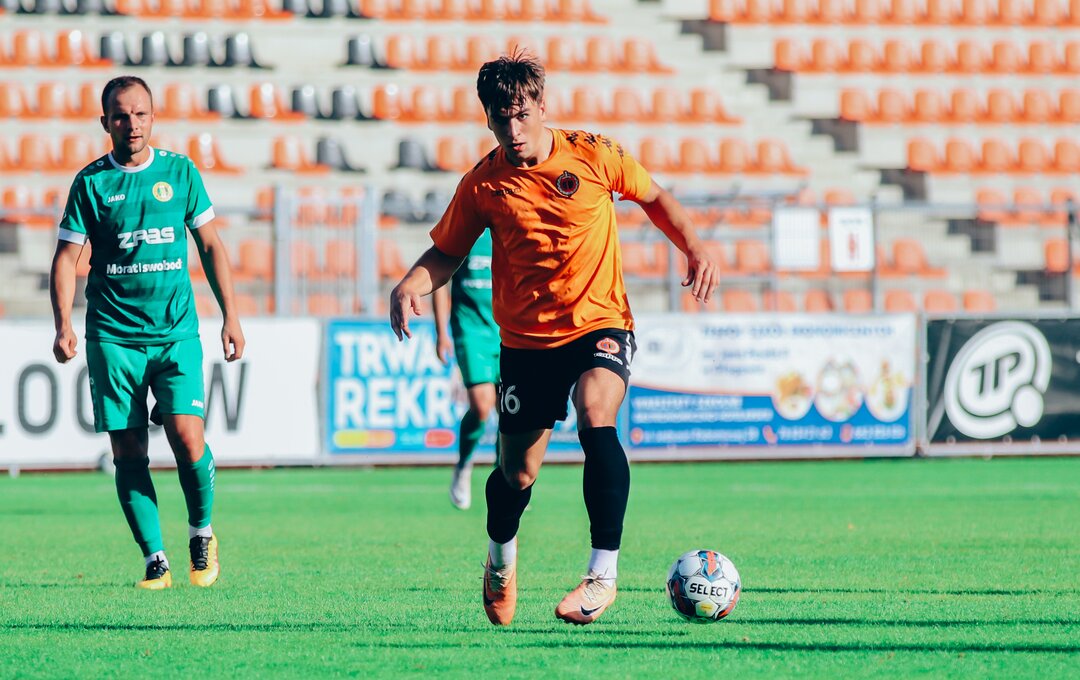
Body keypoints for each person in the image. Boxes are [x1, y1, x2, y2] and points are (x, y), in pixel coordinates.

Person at [390, 51, 719, 626]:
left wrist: (694, 245)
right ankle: (500, 559)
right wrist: (410, 284)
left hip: (600, 322)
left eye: (522, 115)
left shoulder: (595, 154)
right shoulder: (483, 184)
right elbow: (446, 251)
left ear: (543, 106)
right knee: (517, 474)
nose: (513, 129)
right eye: (501, 119)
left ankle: (602, 575)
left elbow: (654, 197)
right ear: (488, 118)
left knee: (597, 417)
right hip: (526, 343)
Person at [49, 76, 245, 590]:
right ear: (105, 122)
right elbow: (66, 259)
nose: (131, 124)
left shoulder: (180, 173)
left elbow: (211, 246)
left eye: (140, 114)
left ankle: (201, 534)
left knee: (187, 437)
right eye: (120, 115)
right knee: (129, 451)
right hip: (112, 336)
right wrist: (63, 323)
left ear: (153, 118)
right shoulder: (91, 183)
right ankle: (155, 558)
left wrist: (231, 315)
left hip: (175, 331)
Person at [432, 230, 499, 510]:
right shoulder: (467, 226)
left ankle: (507, 478)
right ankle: (464, 464)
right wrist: (441, 332)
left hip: (509, 328)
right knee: (482, 406)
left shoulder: (512, 227)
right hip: (471, 331)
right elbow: (439, 279)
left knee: (511, 410)